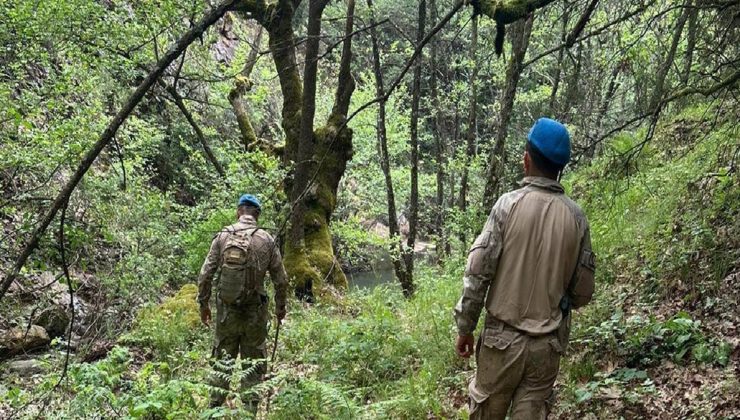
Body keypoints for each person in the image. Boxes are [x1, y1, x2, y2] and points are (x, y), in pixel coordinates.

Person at [453, 118, 596, 419]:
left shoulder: (506, 206)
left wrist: (466, 327)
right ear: (561, 168)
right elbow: (583, 292)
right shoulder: (577, 218)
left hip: (500, 343)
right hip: (546, 348)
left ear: (526, 159)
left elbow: (478, 274)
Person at [197, 194, 288, 410]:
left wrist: (204, 305)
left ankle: (214, 409)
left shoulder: (223, 236)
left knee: (222, 361)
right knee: (253, 365)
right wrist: (280, 309)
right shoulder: (266, 239)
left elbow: (205, 274)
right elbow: (281, 280)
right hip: (255, 314)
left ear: (239, 211)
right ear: (257, 215)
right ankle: (249, 410)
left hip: (226, 312)